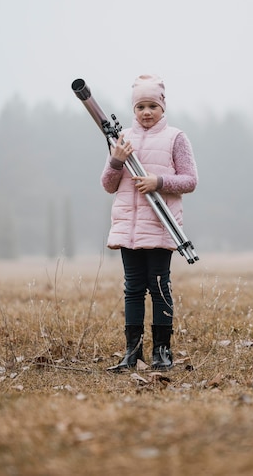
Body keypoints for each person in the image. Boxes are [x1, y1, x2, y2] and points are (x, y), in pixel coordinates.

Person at [100, 74, 198, 372]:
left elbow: (190, 181)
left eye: (152, 106)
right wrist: (116, 160)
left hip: (161, 226)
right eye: (140, 106)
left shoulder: (176, 138)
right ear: (133, 109)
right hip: (128, 228)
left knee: (159, 286)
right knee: (132, 289)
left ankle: (162, 352)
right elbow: (108, 184)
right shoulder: (122, 140)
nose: (146, 112)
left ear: (162, 107)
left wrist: (159, 181)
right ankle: (132, 353)